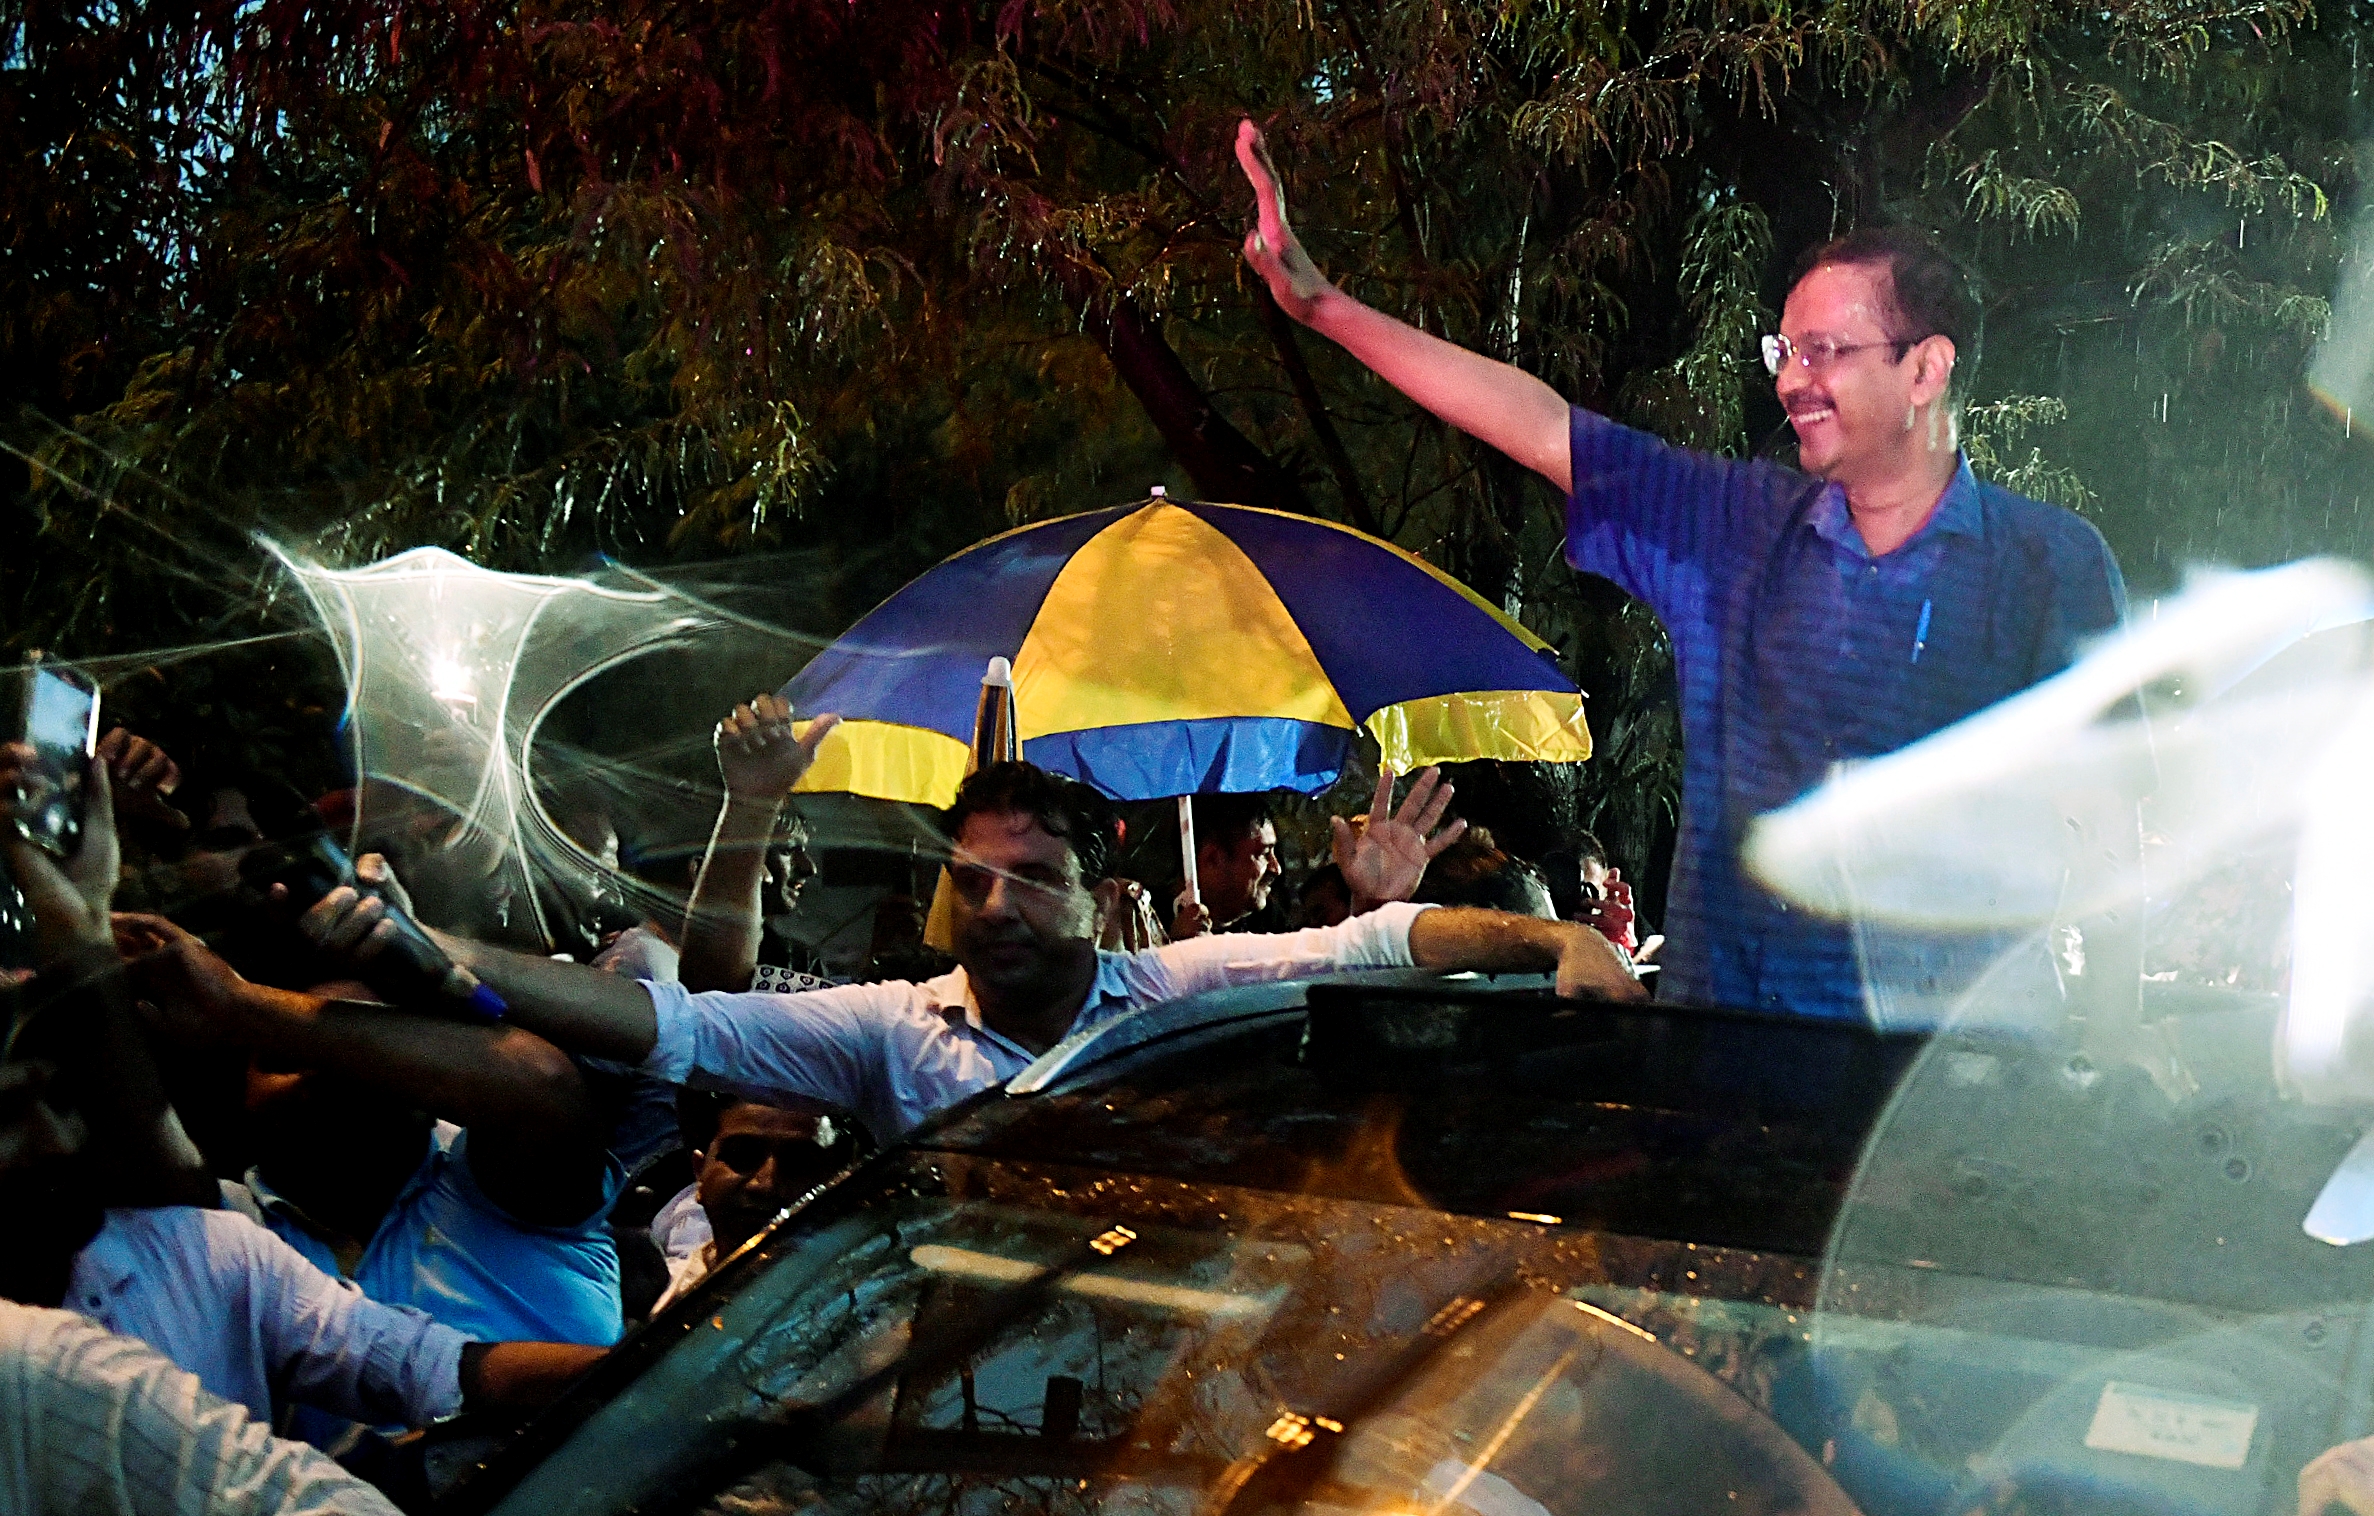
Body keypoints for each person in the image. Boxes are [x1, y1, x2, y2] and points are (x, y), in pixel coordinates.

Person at [1235, 123, 2128, 1021]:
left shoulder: (2049, 563)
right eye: (1786, 352)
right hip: (1728, 1080)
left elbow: (2111, 822)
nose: (1791, 382)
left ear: (1927, 368)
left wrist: (2118, 1041)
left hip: (1948, 1088)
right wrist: (1321, 308)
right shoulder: (1735, 528)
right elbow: (1543, 426)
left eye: (1827, 352)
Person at [295, 757, 1642, 1145]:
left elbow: (1387, 940)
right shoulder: (886, 1031)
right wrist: (441, 954)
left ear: (1098, 894)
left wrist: (1556, 938)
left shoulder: (1173, 990)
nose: (993, 911)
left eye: (1031, 882)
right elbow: (669, 1026)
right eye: (969, 884)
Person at [648, 1092, 864, 1314]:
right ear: (700, 1172)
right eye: (741, 1154)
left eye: (800, 1162)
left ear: (845, 1178)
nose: (763, 1184)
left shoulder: (875, 1302)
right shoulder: (666, 1302)